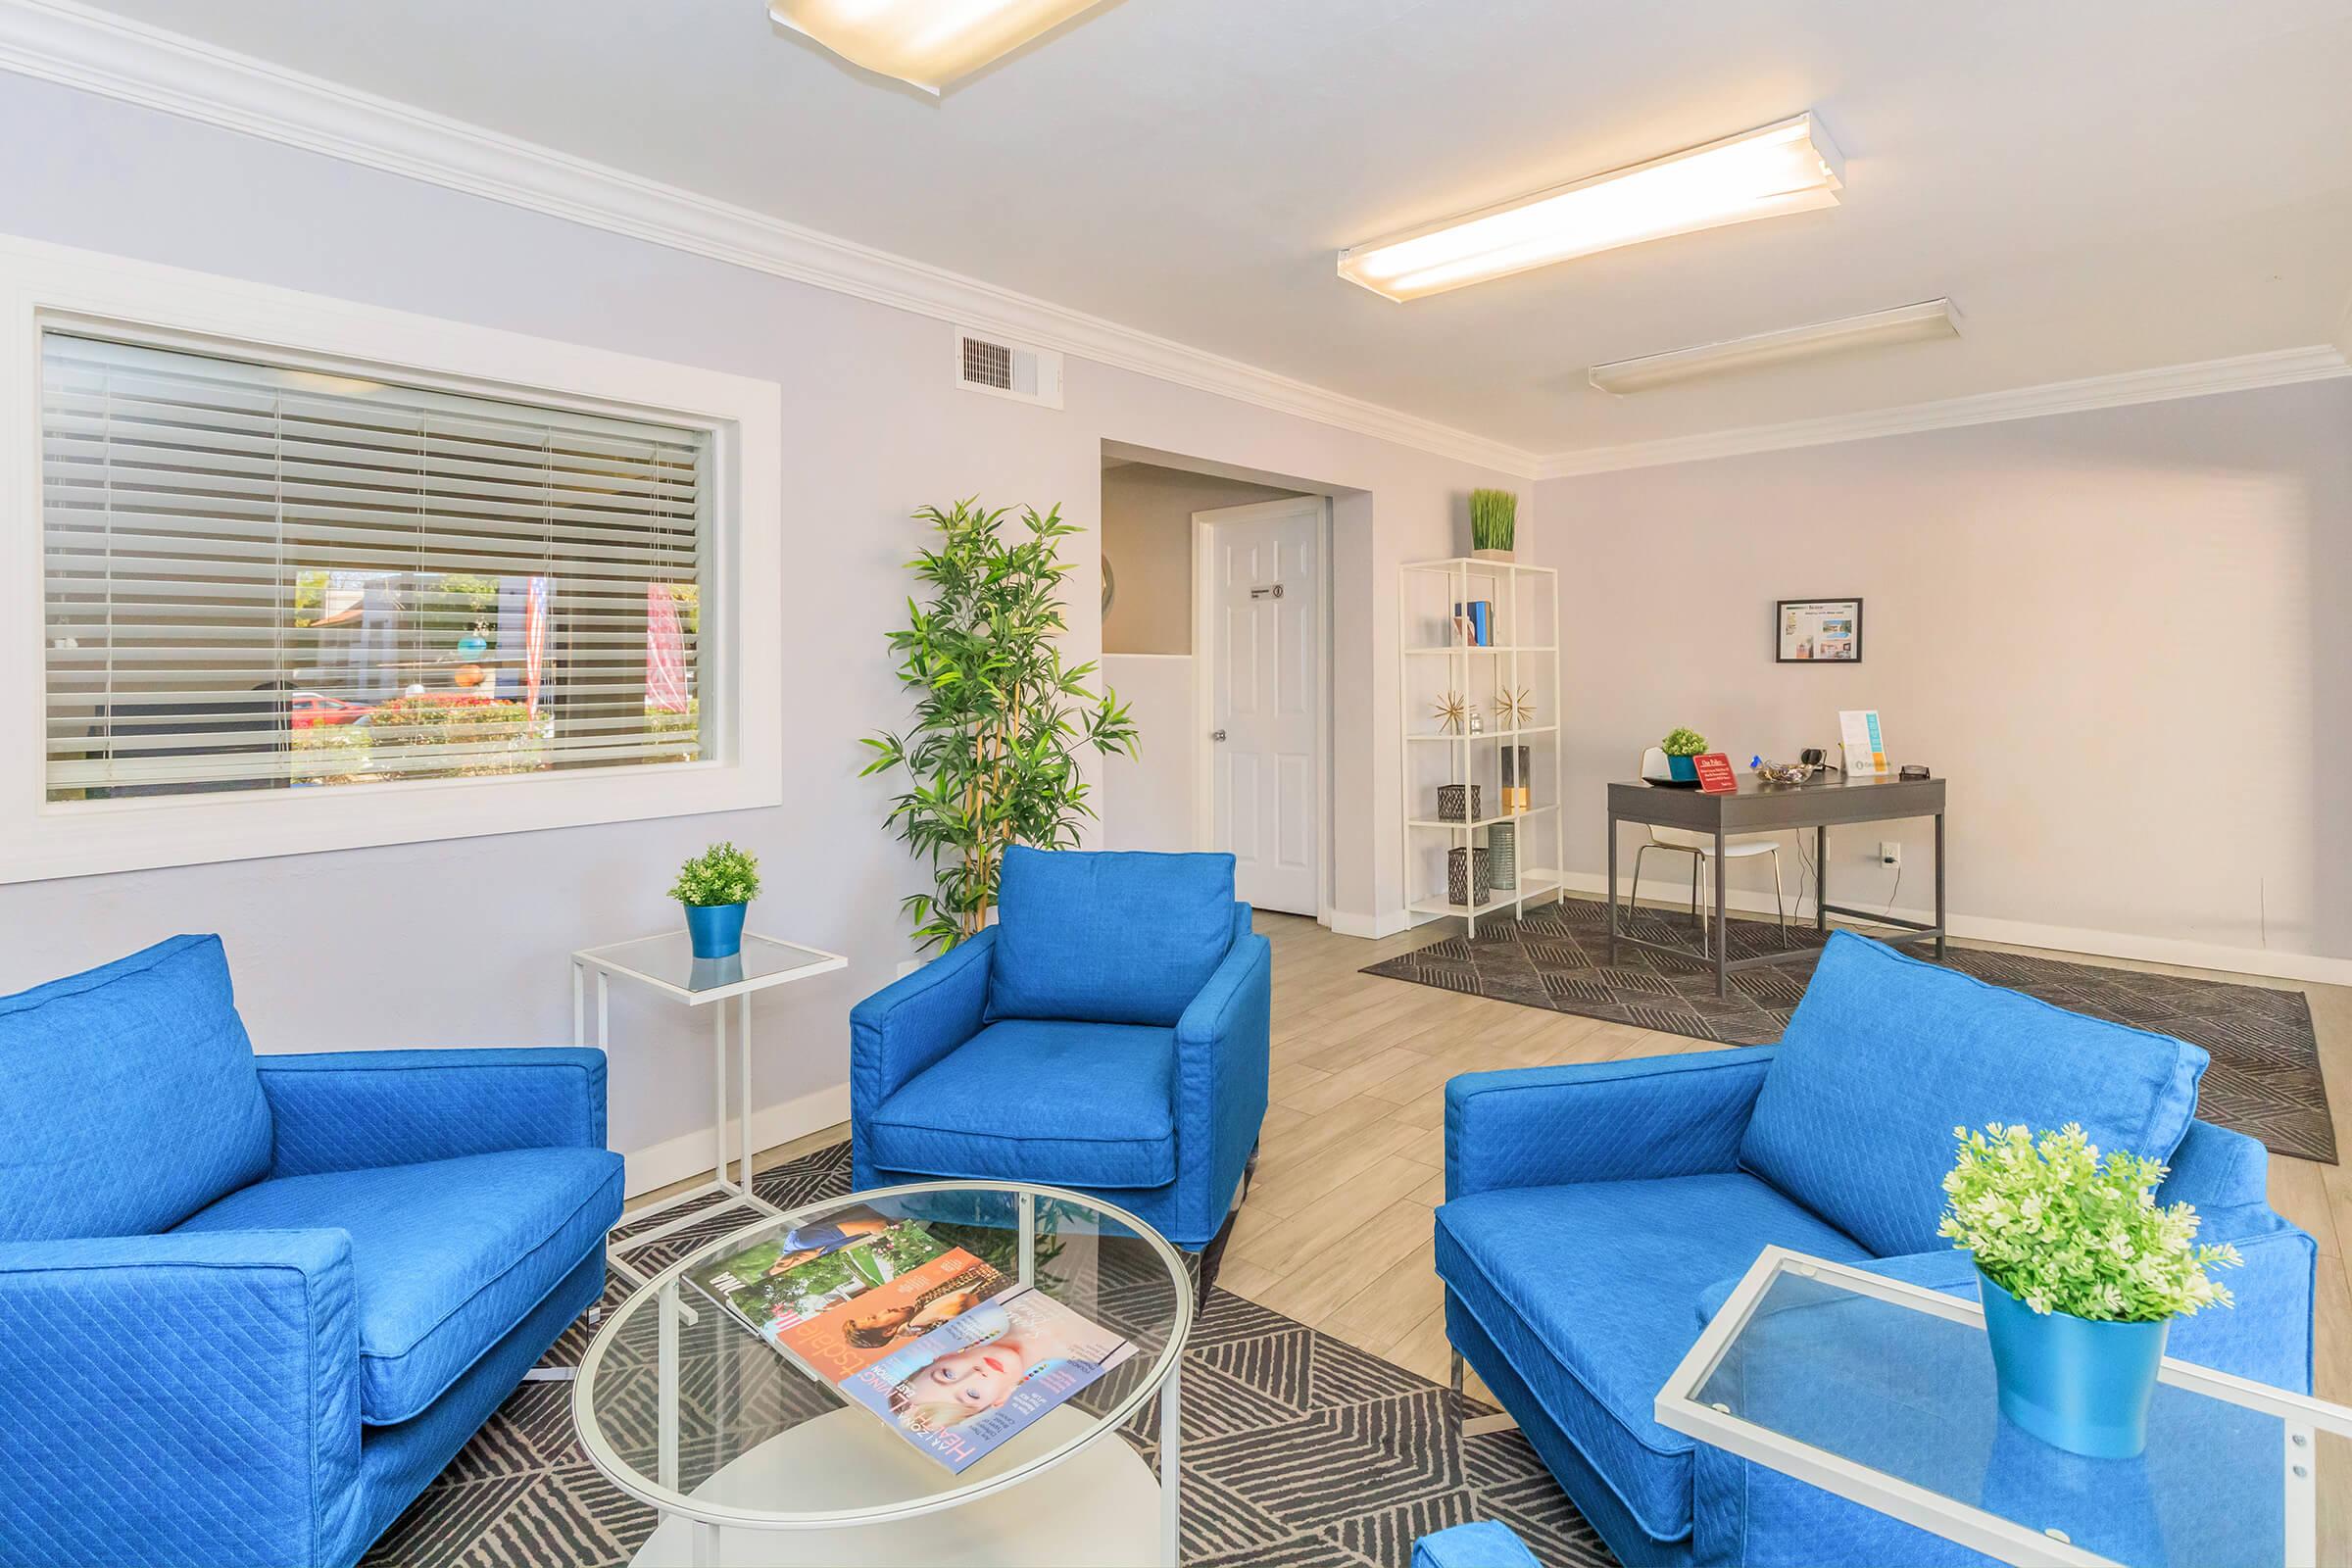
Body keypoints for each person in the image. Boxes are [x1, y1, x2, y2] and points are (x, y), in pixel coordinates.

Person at [841, 1278, 994, 1349]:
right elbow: (962, 1302)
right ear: (889, 1331)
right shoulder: (932, 1334)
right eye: (876, 1317)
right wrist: (912, 1325)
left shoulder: (922, 1300)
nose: (884, 1310)